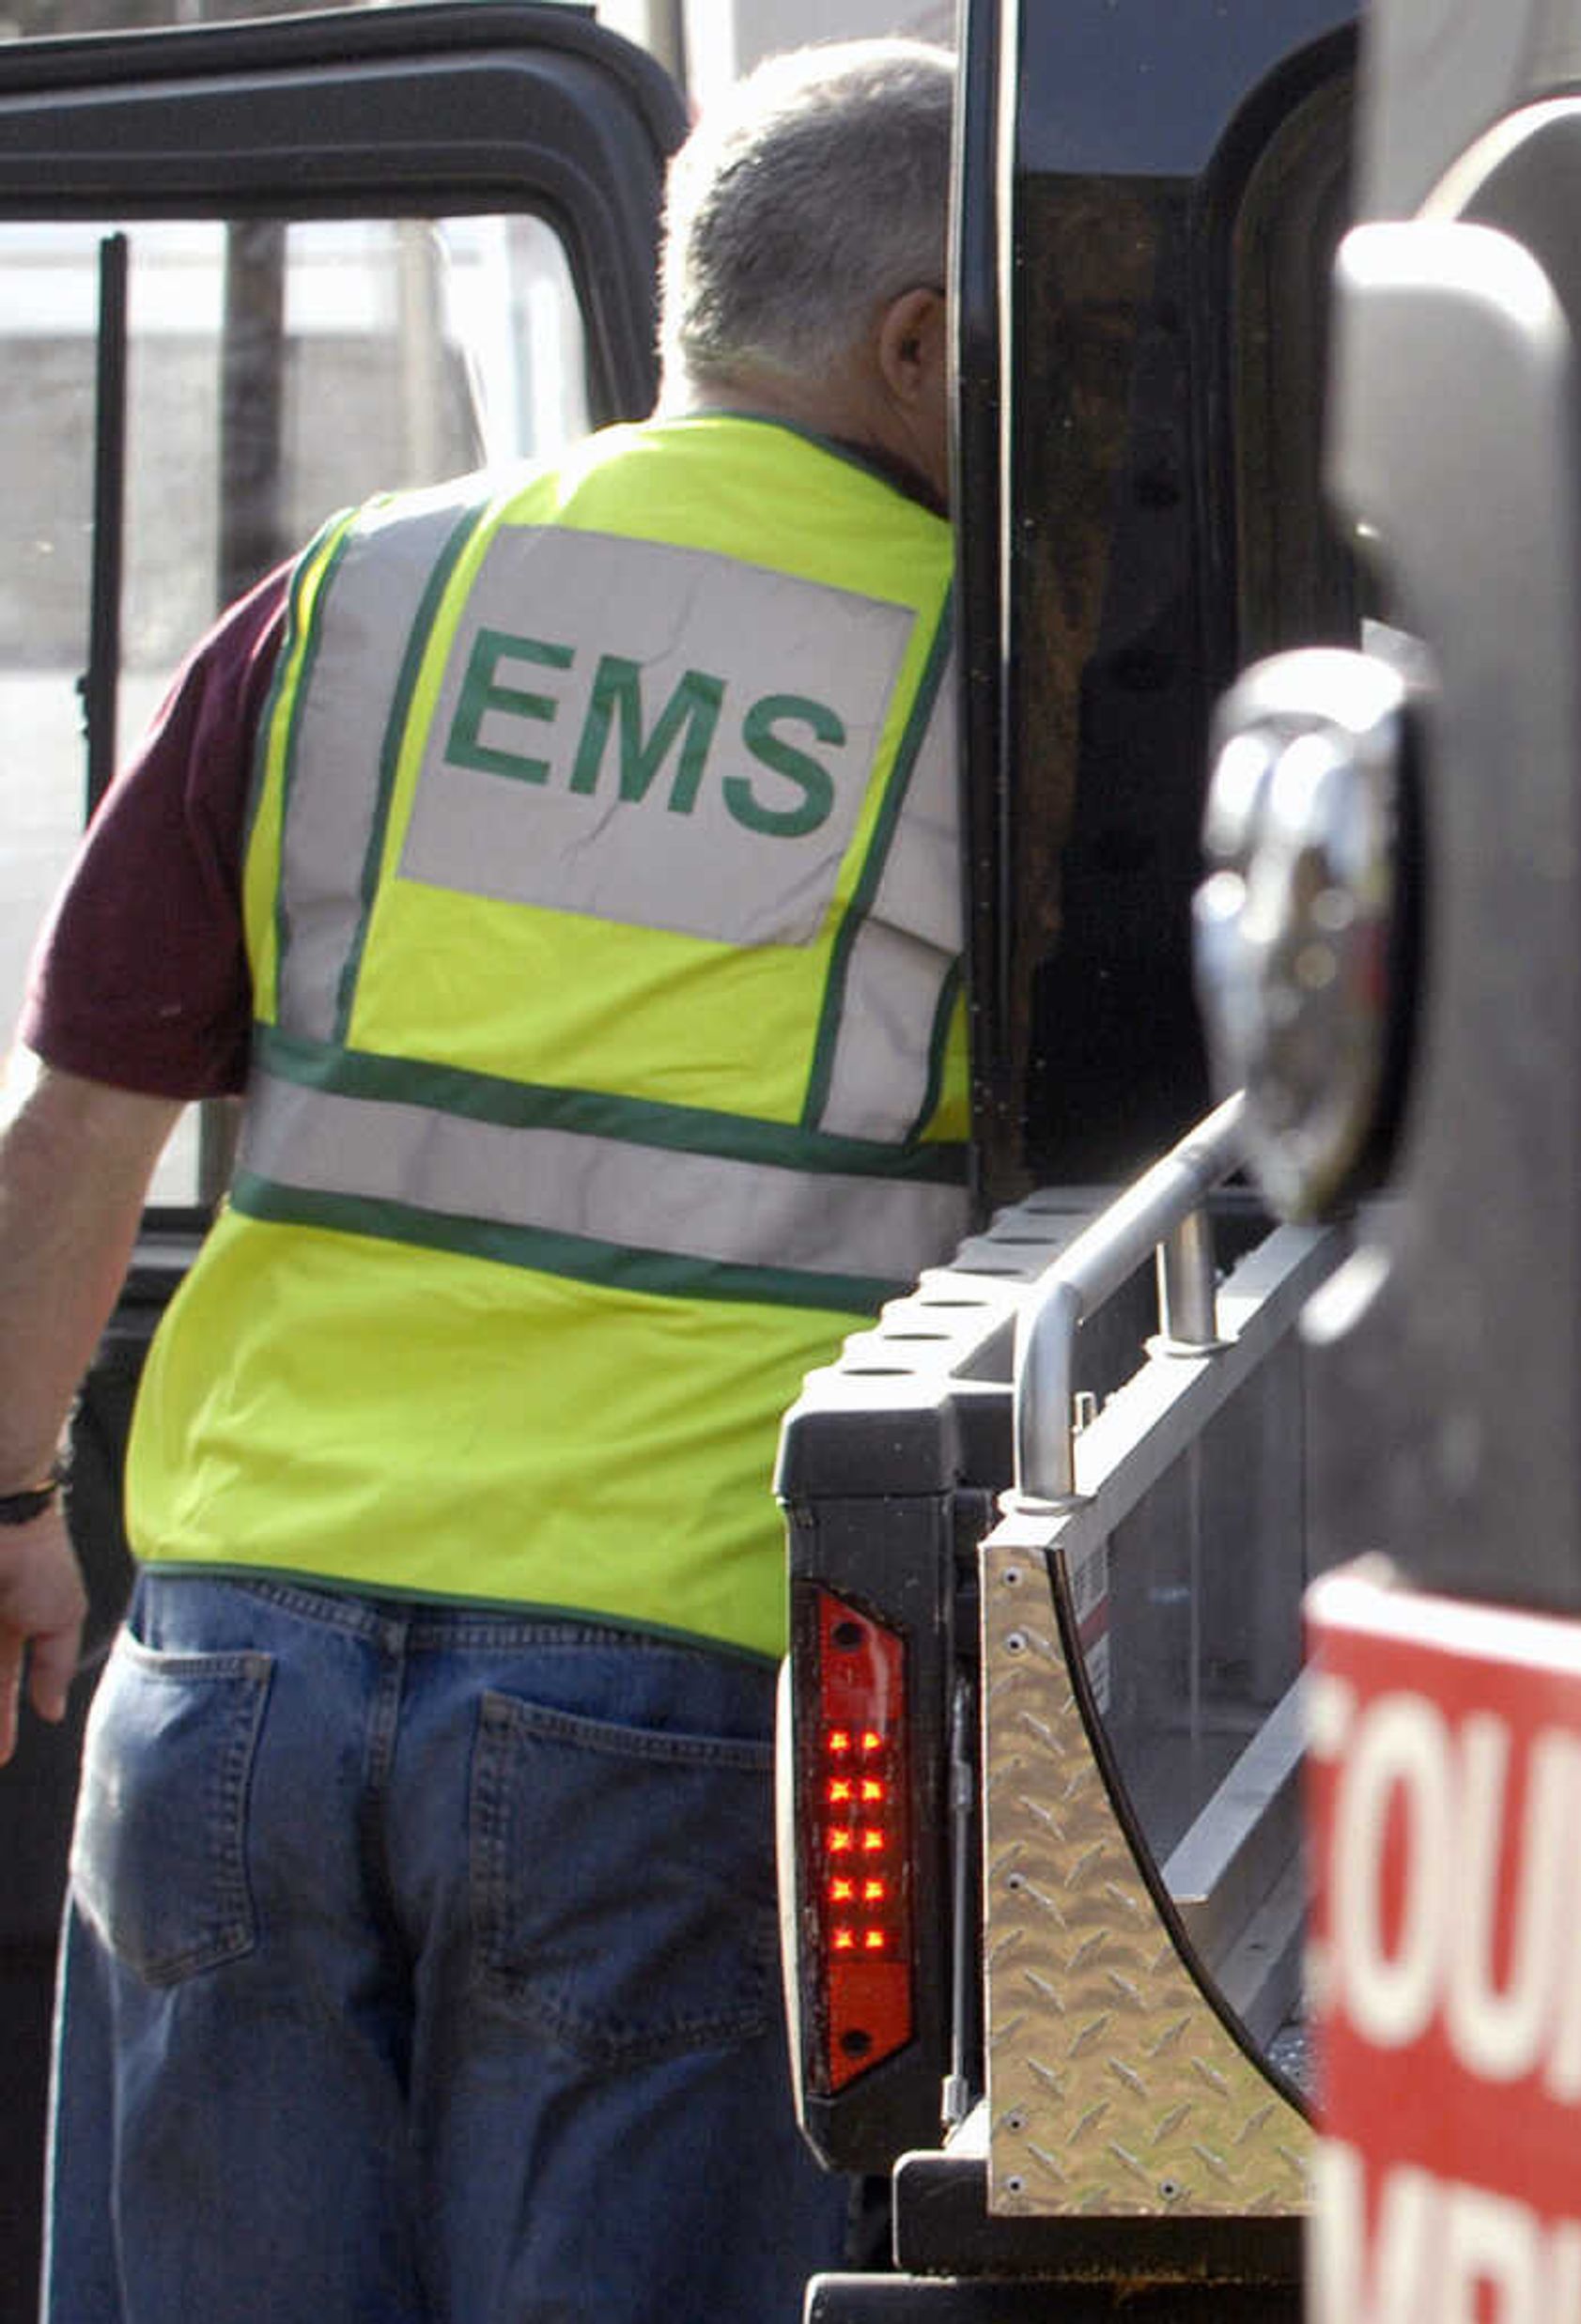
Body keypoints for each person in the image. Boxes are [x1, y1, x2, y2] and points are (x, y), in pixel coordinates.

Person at [8, 38, 966, 2319]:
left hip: (233, 1656)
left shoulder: (358, 598)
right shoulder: (992, 671)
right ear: (917, 339)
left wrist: (6, 1507)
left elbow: (84, 1107)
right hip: (665, 1686)